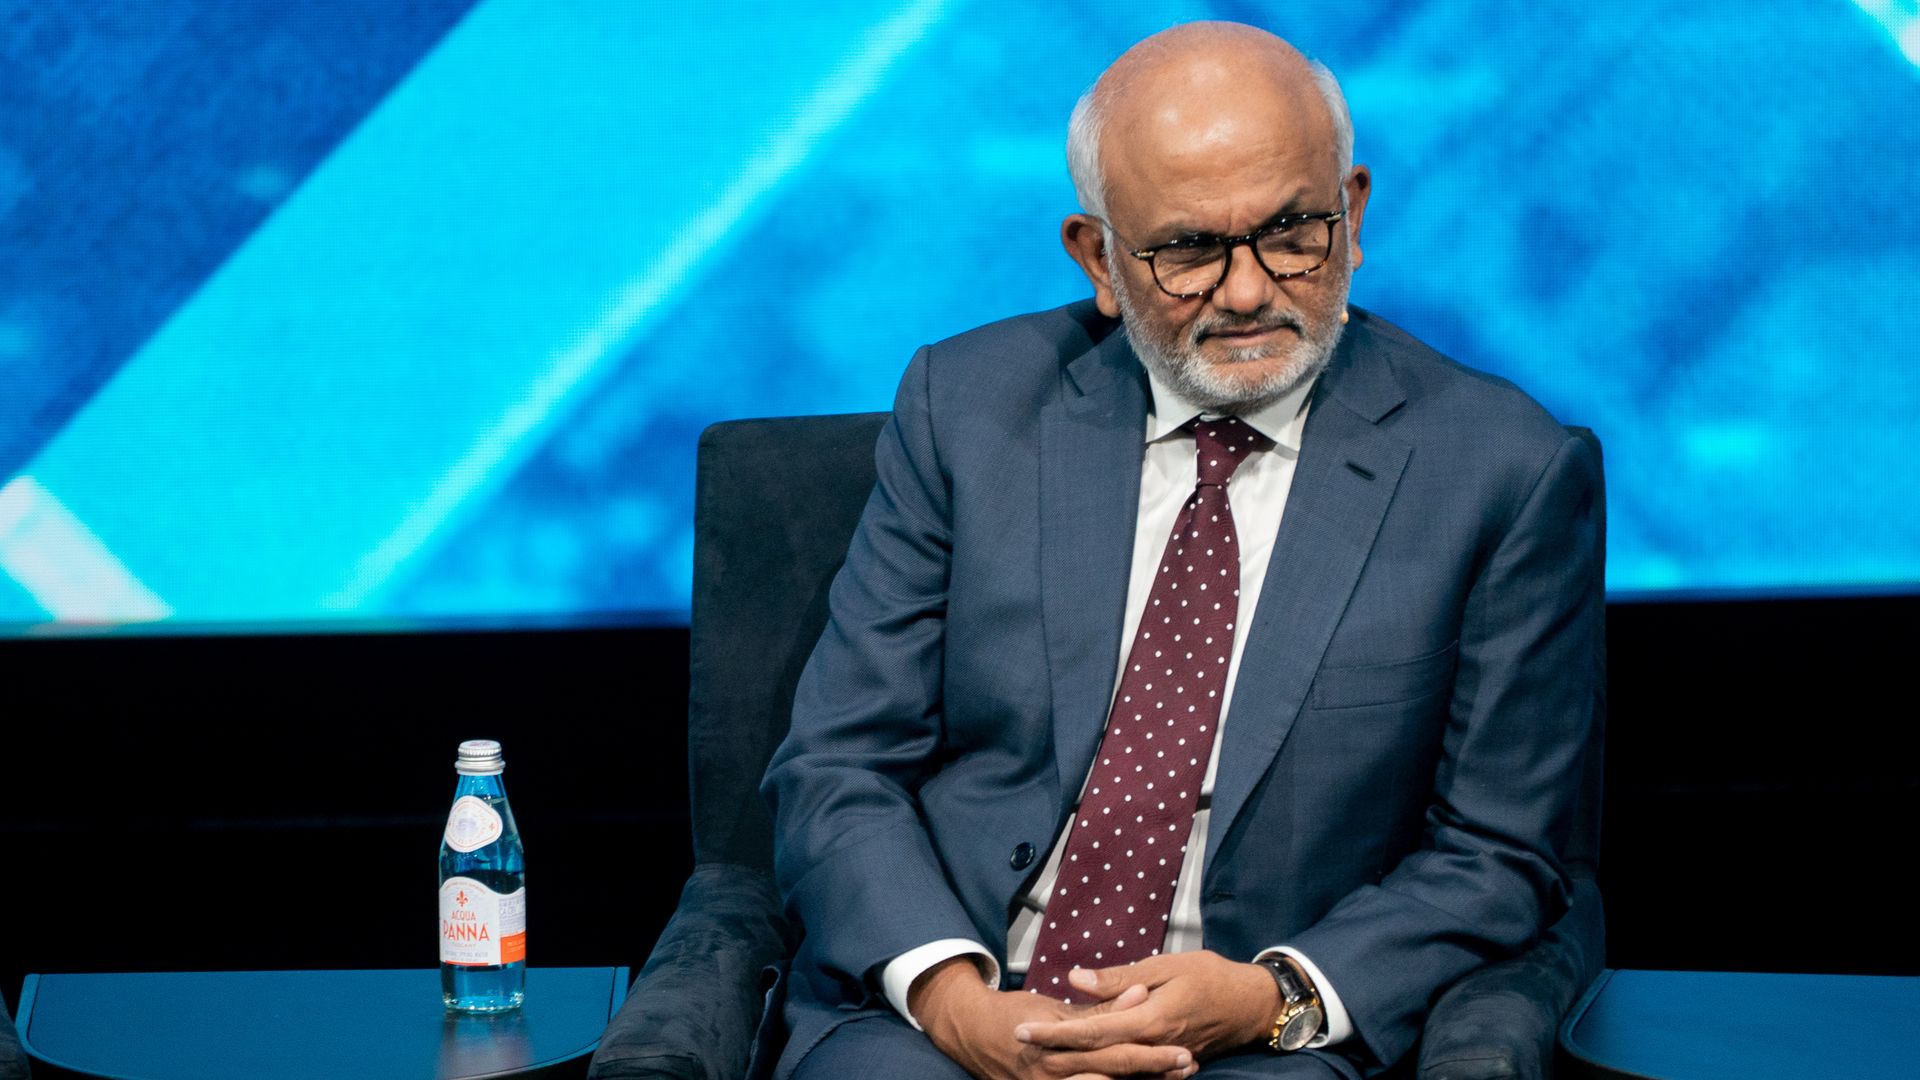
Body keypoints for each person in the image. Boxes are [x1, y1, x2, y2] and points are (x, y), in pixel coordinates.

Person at [763, 21, 1600, 1080]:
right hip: (950, 1016)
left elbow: (1500, 853)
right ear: (1098, 259)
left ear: (1355, 214)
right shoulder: (967, 409)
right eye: (1189, 251)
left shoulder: (1502, 470)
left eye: (1293, 231)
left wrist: (1271, 997)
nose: (1249, 291)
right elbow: (842, 762)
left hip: (1255, 1037)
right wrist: (952, 996)